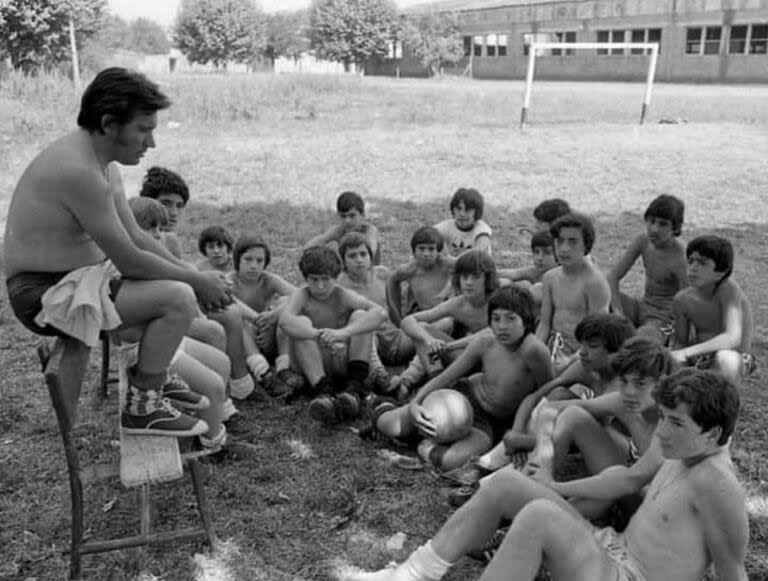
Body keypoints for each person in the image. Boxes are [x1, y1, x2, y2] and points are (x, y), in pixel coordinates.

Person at [344, 367, 748, 581]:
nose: (660, 432)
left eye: (674, 423)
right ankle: (412, 573)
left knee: (538, 518)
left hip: (629, 576)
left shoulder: (716, 485)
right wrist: (551, 485)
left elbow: (733, 573)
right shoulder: (684, 439)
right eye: (663, 418)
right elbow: (624, 479)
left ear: (713, 434)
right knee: (506, 482)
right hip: (610, 548)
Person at [4, 67, 232, 436]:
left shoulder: (99, 162)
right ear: (110, 124)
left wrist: (196, 274)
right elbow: (128, 259)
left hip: (74, 281)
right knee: (178, 299)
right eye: (143, 130)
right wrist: (196, 281)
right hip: (41, 294)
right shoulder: (79, 171)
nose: (151, 143)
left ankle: (152, 379)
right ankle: (143, 407)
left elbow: (140, 239)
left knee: (180, 294)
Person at [367, 286, 551, 471]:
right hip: (463, 399)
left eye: (511, 319)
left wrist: (519, 430)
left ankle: (425, 447)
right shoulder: (485, 341)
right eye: (496, 318)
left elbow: (546, 394)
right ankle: (384, 406)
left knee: (454, 461)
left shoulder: (534, 351)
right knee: (390, 426)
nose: (502, 326)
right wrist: (416, 403)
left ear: (526, 321)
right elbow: (447, 377)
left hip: (490, 422)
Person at [128, 197, 230, 450]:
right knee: (214, 386)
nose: (157, 235)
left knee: (222, 363)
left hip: (165, 340)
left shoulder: (150, 257)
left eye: (159, 229)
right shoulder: (131, 263)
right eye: (149, 229)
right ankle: (212, 445)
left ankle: (209, 418)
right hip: (148, 350)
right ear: (128, 229)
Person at [481, 313, 635, 470]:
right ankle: (499, 461)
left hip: (617, 452)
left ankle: (511, 467)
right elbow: (534, 397)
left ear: (615, 353)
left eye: (592, 346)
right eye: (582, 345)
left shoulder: (621, 386)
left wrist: (523, 441)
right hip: (562, 440)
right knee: (559, 393)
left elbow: (579, 436)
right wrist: (516, 431)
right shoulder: (586, 368)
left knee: (573, 415)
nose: (582, 352)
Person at [279, 246, 387, 424]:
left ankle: (354, 389)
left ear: (335, 278)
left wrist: (341, 333)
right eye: (314, 280)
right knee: (301, 323)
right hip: (311, 365)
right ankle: (323, 394)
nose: (320, 286)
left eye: (325, 280)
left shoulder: (343, 295)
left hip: (340, 361)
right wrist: (318, 335)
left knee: (361, 316)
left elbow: (380, 313)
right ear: (306, 278)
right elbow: (285, 321)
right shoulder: (301, 295)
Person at [400, 250, 499, 380]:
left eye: (475, 276)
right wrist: (429, 340)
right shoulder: (458, 304)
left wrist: (449, 346)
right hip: (469, 360)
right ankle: (435, 376)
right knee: (422, 328)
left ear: (487, 279)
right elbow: (407, 321)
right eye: (464, 277)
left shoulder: (499, 298)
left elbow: (491, 333)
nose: (468, 282)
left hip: (497, 361)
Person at [671, 235, 755, 385]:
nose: (693, 267)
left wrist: (687, 352)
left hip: (736, 356)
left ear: (720, 272)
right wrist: (677, 361)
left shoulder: (728, 289)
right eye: (690, 261)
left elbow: (732, 338)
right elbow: (680, 343)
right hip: (699, 358)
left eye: (702, 263)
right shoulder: (681, 299)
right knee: (670, 363)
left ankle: (722, 402)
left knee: (726, 359)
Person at [336, 232, 413, 394]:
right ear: (343, 260)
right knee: (363, 323)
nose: (359, 260)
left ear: (370, 255)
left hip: (395, 339)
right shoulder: (340, 285)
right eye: (352, 256)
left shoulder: (382, 273)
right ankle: (380, 375)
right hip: (370, 343)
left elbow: (393, 302)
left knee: (437, 326)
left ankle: (427, 370)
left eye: (363, 254)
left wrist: (400, 324)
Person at [230, 235, 305, 398]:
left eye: (259, 261)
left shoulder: (268, 280)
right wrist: (257, 320)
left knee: (286, 303)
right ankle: (263, 372)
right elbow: (229, 301)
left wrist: (272, 316)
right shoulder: (230, 281)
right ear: (237, 260)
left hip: (268, 337)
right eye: (248, 260)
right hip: (243, 343)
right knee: (236, 318)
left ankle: (283, 367)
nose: (253, 265)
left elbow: (300, 295)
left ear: (265, 263)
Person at [536, 213, 611, 374]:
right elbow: (544, 323)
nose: (564, 249)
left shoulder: (594, 283)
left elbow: (597, 336)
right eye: (560, 241)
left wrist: (569, 361)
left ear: (586, 246)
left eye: (573, 242)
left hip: (582, 356)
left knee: (557, 393)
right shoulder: (550, 277)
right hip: (553, 348)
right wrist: (536, 351)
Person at [608, 194, 688, 343]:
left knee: (640, 340)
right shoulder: (642, 241)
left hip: (661, 319)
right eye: (651, 221)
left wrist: (676, 337)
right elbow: (612, 277)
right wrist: (618, 315)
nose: (654, 229)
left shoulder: (679, 258)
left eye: (663, 224)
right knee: (602, 296)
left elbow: (687, 301)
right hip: (641, 307)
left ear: (675, 228)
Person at [304, 191, 382, 265]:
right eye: (343, 216)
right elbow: (308, 247)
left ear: (362, 215)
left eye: (352, 216)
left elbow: (369, 254)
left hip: (370, 273)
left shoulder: (369, 230)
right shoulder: (338, 231)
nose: (347, 221)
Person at [138, 165, 188, 260]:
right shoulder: (130, 238)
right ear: (147, 202)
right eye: (165, 204)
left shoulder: (169, 240)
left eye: (179, 205)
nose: (174, 213)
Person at [497, 230, 557, 306]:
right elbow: (514, 273)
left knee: (536, 288)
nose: (540, 258)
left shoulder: (562, 274)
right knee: (504, 282)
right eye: (536, 252)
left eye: (547, 253)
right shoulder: (535, 272)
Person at [433, 188, 492, 256]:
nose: (462, 214)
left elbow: (479, 250)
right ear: (453, 210)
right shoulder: (447, 226)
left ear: (477, 212)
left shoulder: (482, 229)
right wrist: (443, 250)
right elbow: (429, 234)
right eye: (458, 209)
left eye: (467, 210)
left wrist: (453, 260)